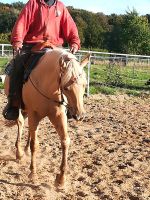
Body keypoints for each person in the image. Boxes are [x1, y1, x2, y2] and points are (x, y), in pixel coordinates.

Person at [3, 0, 80, 120]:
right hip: (32, 45)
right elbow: (21, 23)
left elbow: (70, 26)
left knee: (72, 69)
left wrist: (74, 42)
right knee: (18, 64)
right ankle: (14, 104)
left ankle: (73, 106)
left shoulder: (60, 6)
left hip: (55, 46)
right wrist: (17, 40)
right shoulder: (32, 3)